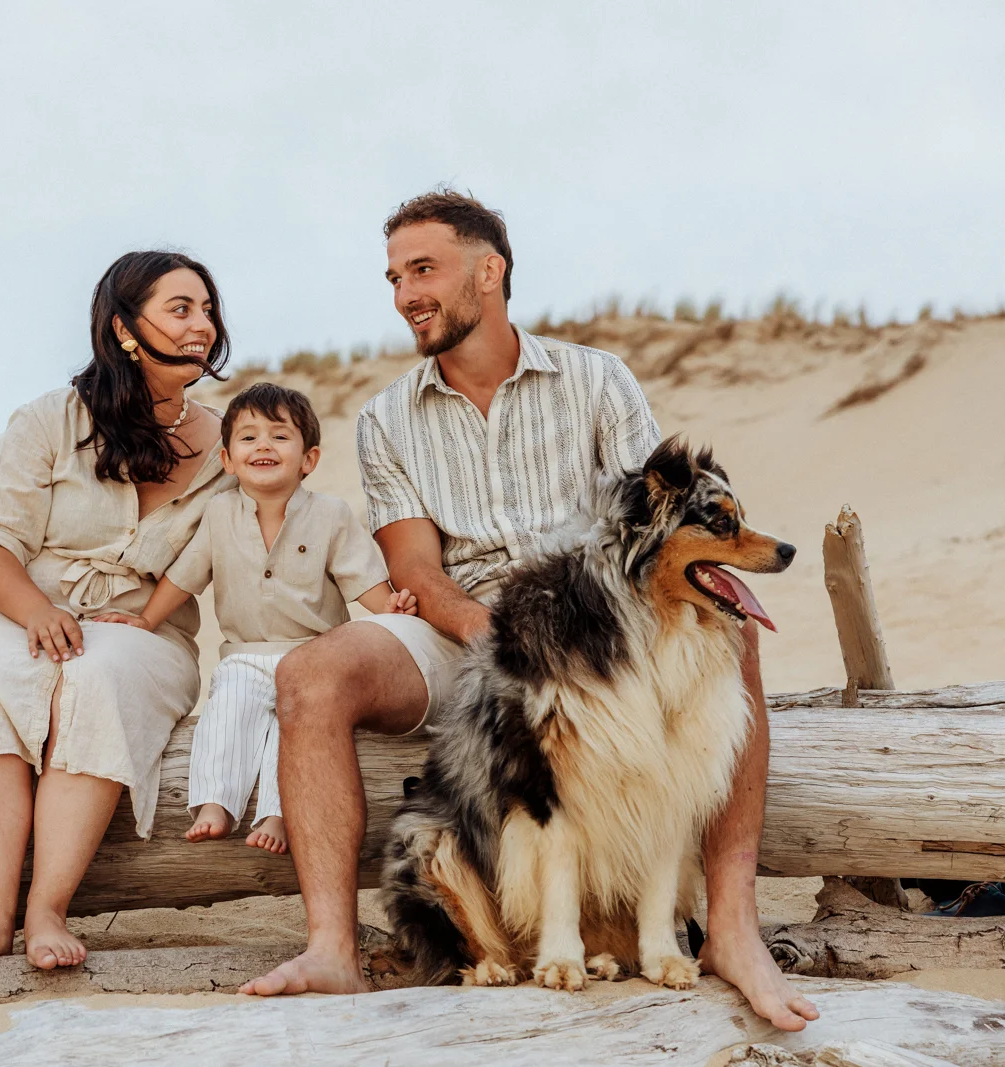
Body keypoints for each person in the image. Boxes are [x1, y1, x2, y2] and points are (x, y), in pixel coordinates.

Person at [239, 190, 821, 1033]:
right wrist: (501, 637)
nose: (406, 294)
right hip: (466, 631)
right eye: (396, 277)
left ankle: (732, 926)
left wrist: (576, 643)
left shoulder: (597, 378)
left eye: (424, 270)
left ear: (490, 270)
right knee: (311, 674)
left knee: (734, 633)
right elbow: (415, 569)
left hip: (597, 623)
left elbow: (652, 531)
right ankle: (331, 946)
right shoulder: (386, 418)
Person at [0, 250, 235, 972]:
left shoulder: (228, 443)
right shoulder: (50, 420)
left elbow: (252, 547)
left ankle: (47, 908)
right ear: (124, 327)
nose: (202, 325)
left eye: (207, 309)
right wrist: (36, 612)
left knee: (95, 679)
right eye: (181, 308)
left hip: (138, 626)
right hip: (11, 605)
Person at [95, 382, 417, 854]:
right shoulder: (219, 512)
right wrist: (145, 620)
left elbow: (360, 576)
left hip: (317, 657)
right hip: (244, 655)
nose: (263, 445)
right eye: (248, 438)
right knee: (226, 715)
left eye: (279, 436)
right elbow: (186, 577)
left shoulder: (331, 514)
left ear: (309, 459)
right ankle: (214, 804)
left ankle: (278, 813)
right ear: (227, 460)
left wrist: (389, 607)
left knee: (293, 732)